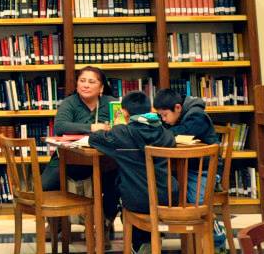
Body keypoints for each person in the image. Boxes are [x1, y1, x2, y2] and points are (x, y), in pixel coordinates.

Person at [88, 91, 176, 253]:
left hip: (137, 200)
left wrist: (103, 129)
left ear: (125, 113)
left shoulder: (122, 133)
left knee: (121, 186)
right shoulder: (166, 134)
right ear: (151, 109)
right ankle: (149, 241)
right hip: (167, 198)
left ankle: (139, 244)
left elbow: (93, 139)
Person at [41, 66, 119, 234]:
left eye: (92, 82)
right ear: (76, 84)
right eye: (82, 81)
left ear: (101, 87)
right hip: (68, 158)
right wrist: (92, 127)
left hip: (103, 159)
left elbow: (121, 127)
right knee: (46, 184)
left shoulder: (112, 103)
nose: (86, 85)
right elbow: (60, 126)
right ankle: (57, 222)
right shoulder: (70, 103)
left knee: (117, 183)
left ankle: (105, 220)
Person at [153, 88, 226, 249]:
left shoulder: (197, 116)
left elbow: (179, 132)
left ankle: (218, 241)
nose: (163, 120)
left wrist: (158, 133)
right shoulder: (177, 115)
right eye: (160, 116)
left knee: (198, 208)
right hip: (182, 168)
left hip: (204, 169)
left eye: (164, 115)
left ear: (178, 108)